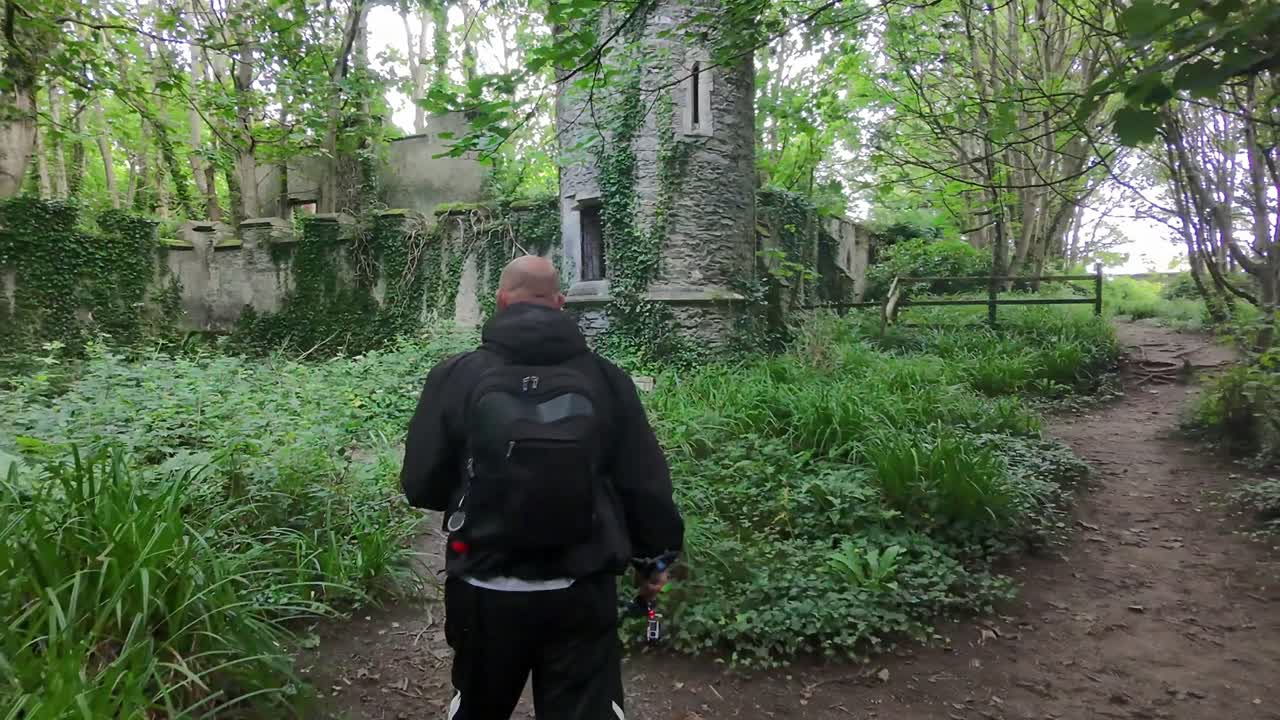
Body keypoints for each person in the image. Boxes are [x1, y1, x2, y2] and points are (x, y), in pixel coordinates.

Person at [400, 255, 684, 720]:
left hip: (482, 584)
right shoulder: (606, 378)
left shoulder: (455, 375)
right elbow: (644, 483)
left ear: (500, 300)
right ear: (560, 302)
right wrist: (654, 561)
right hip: (581, 588)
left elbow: (420, 483)